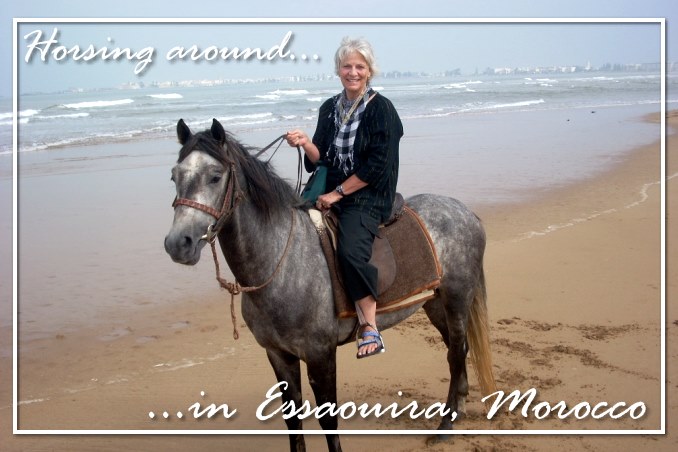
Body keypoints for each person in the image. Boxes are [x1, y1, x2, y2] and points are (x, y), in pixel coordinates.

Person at [286, 37, 403, 359]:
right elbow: (319, 159)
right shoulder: (329, 107)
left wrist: (337, 194)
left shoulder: (381, 109)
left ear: (369, 71)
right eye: (347, 66)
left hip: (367, 194)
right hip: (330, 189)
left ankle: (369, 325)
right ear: (339, 70)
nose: (353, 72)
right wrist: (306, 142)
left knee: (351, 251)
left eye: (359, 67)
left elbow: (378, 166)